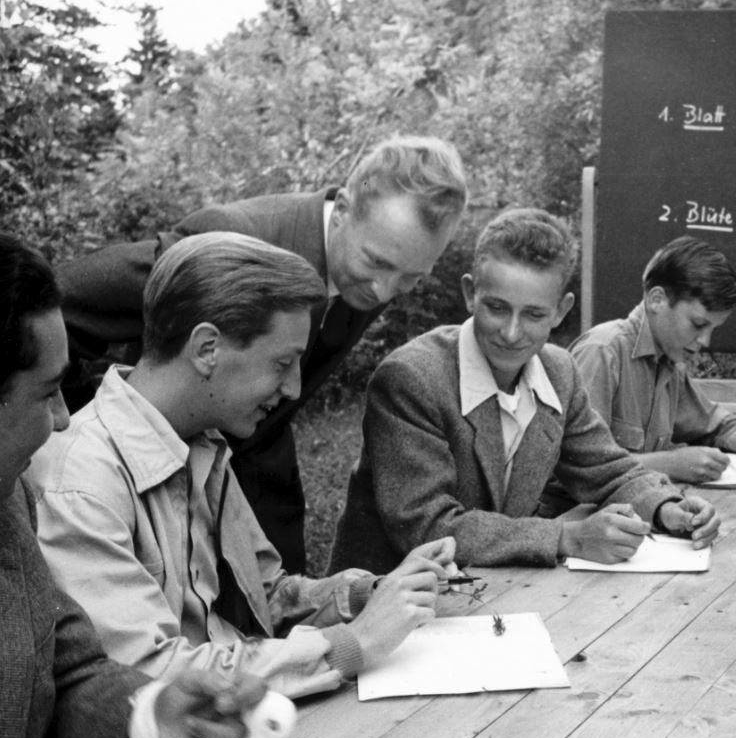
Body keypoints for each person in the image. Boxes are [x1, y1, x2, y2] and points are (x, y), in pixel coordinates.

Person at [29, 233, 453, 701]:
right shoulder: (81, 482)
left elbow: (266, 596)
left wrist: (366, 595)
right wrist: (354, 644)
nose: (293, 388)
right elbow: (150, 675)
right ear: (207, 348)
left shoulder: (202, 443)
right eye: (282, 362)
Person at [57, 136, 468, 573]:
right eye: (377, 263)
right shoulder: (232, 241)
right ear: (344, 210)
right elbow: (64, 302)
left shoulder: (382, 261)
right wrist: (80, 420)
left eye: (410, 279)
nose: (385, 291)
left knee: (281, 600)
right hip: (162, 467)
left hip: (257, 454)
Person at [0, 233, 267, 738]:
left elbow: (72, 675)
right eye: (48, 393)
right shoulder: (73, 478)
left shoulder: (9, 507)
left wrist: (154, 717)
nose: (64, 420)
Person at [330, 209, 719, 572]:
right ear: (470, 294)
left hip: (496, 592)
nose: (512, 333)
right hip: (386, 602)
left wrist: (669, 508)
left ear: (561, 311)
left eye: (534, 314)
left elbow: (607, 471)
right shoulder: (411, 378)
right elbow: (428, 527)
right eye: (497, 308)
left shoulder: (559, 371)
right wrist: (566, 537)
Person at [569, 236, 736, 484]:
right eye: (698, 324)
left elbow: (715, 425)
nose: (705, 341)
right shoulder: (602, 352)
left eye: (713, 329)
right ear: (657, 300)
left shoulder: (669, 360)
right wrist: (669, 464)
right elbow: (581, 466)